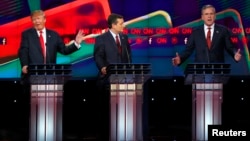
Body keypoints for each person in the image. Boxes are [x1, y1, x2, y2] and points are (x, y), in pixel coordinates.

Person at [18, 10, 85, 86]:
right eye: (34, 19)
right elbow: (23, 50)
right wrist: (24, 64)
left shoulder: (54, 34)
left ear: (44, 19)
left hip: (49, 75)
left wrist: (76, 43)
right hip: (32, 74)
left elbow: (64, 50)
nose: (36, 21)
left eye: (38, 18)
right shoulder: (27, 34)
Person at [93, 13, 132, 140]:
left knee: (123, 113)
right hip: (108, 80)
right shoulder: (102, 38)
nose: (123, 25)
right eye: (121, 23)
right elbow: (98, 56)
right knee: (108, 114)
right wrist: (102, 67)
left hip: (124, 80)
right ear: (113, 25)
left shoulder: (124, 38)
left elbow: (128, 56)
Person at [172, 4, 241, 66]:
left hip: (218, 70)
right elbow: (188, 50)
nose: (209, 16)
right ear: (202, 17)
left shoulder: (223, 30)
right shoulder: (195, 32)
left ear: (215, 16)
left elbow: (230, 47)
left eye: (211, 14)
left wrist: (235, 54)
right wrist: (180, 58)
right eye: (206, 14)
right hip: (200, 71)